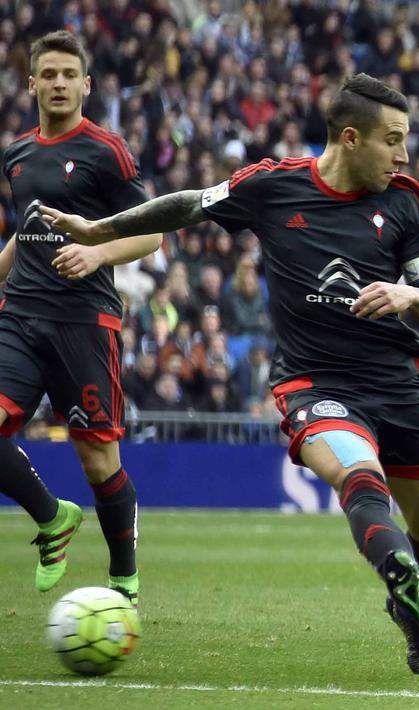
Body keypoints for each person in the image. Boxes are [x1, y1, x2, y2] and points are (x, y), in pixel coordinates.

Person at [42, 74, 419, 676]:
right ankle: (399, 574)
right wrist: (102, 230)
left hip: (396, 382)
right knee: (359, 478)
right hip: (315, 383)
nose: (405, 155)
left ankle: (410, 605)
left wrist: (409, 294)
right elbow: (188, 204)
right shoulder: (272, 185)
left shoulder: (405, 202)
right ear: (350, 137)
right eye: (393, 140)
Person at [0, 31, 162, 604]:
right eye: (49, 74)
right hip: (19, 316)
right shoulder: (17, 154)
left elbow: (152, 233)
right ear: (32, 84)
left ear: (87, 85)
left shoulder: (107, 151)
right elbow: (26, 232)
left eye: (70, 74)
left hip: (84, 323)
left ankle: (123, 579)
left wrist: (97, 253)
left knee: (99, 463)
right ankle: (52, 519)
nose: (59, 83)